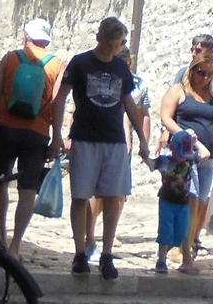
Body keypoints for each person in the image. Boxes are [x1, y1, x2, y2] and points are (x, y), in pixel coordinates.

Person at [50, 16, 150, 279]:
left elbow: (129, 103)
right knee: (81, 196)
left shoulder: (120, 68)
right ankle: (80, 252)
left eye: (116, 45)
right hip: (84, 137)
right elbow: (60, 97)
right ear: (100, 39)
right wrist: (56, 135)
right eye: (109, 43)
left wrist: (141, 139)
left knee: (112, 197)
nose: (112, 49)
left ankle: (106, 254)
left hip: (114, 138)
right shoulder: (81, 63)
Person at [0, 18, 64, 259]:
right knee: (28, 190)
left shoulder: (10, 58)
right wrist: (56, 138)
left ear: (26, 36)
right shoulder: (57, 64)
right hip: (37, 133)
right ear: (46, 40)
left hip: (6, 128)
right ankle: (16, 245)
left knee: (0, 182)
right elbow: (58, 105)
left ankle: (1, 236)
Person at [160, 57, 213, 264]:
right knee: (191, 199)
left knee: (201, 202)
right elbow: (166, 117)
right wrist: (184, 135)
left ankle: (185, 243)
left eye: (209, 74)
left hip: (207, 157)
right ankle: (183, 251)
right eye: (200, 72)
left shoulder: (211, 95)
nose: (204, 78)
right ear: (192, 70)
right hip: (186, 156)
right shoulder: (179, 90)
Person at [146, 128, 200, 274]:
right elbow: (151, 165)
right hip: (166, 201)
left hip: (183, 203)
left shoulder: (190, 160)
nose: (182, 158)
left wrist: (195, 142)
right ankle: (161, 260)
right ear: (172, 149)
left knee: (181, 233)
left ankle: (170, 250)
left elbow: (206, 154)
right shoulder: (165, 161)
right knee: (165, 231)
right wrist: (145, 155)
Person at [174, 36, 213, 150]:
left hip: (211, 138)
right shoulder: (183, 73)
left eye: (198, 50)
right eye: (192, 50)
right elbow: (172, 104)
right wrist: (164, 130)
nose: (193, 54)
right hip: (184, 137)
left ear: (211, 51)